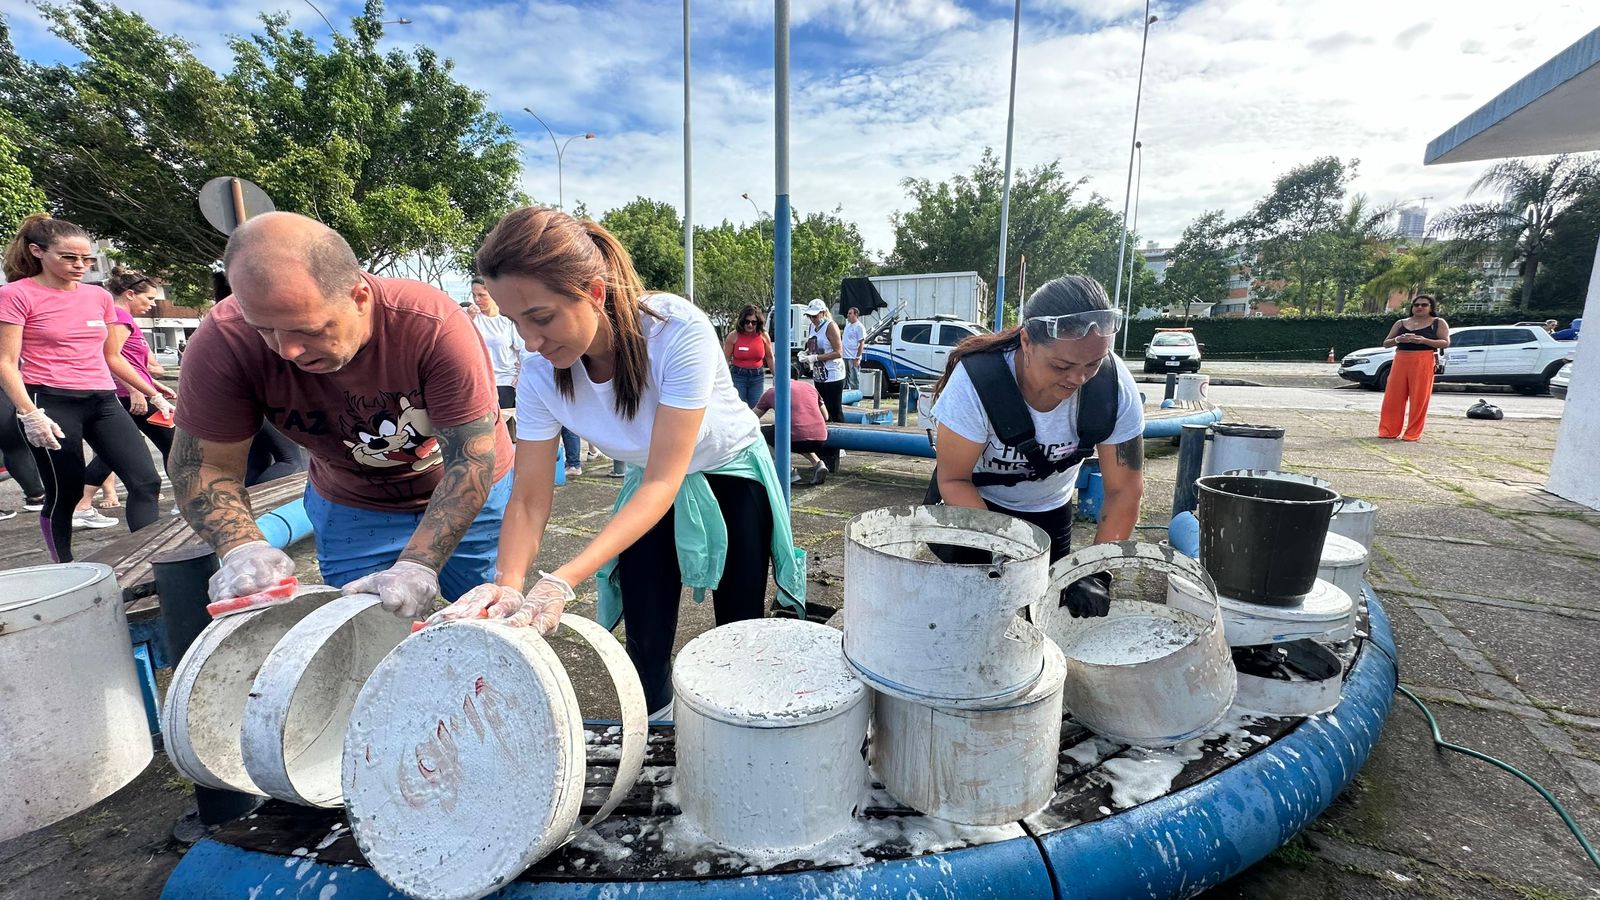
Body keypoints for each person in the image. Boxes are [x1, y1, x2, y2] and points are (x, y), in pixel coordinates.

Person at [429, 207, 806, 719]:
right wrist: (510, 585)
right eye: (516, 322)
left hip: (728, 475)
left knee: (737, 628)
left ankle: (733, 729)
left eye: (541, 317)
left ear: (594, 292)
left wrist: (562, 580)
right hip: (646, 487)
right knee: (645, 632)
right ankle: (657, 731)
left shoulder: (677, 332)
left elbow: (662, 480)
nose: (531, 341)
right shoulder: (540, 373)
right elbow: (529, 497)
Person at [169, 211, 514, 619]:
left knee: (486, 623)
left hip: (470, 493)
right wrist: (242, 546)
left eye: (309, 330)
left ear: (359, 297)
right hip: (353, 503)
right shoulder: (224, 339)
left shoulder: (431, 325)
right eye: (265, 330)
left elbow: (470, 457)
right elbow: (201, 465)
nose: (287, 351)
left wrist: (419, 563)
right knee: (356, 633)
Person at [928, 275, 1145, 618]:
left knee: (1041, 615)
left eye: (1092, 364)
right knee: (972, 613)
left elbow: (1124, 489)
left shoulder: (1113, 387)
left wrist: (1096, 571)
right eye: (1061, 366)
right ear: (1026, 342)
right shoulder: (976, 382)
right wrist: (1002, 553)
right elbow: (954, 479)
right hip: (977, 506)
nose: (1077, 379)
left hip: (1050, 510)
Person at [0, 215, 172, 562]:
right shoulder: (16, 294)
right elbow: (5, 361)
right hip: (50, 403)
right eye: (69, 257)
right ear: (37, 251)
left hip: (103, 400)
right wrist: (29, 413)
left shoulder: (97, 297)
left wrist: (153, 393)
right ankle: (64, 567)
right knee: (63, 494)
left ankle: (151, 565)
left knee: (145, 481)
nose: (80, 265)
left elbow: (113, 356)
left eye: (87, 259)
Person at [77, 267, 176, 520]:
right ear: (130, 294)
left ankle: (82, 504)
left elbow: (133, 362)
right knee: (176, 444)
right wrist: (138, 390)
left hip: (136, 392)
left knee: (117, 453)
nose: (152, 304)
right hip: (129, 395)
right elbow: (112, 357)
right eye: (149, 298)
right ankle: (186, 499)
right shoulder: (120, 316)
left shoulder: (122, 317)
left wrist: (152, 383)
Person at [1378, 294, 1450, 442]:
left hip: (1423, 359)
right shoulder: (1401, 323)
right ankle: (1388, 430)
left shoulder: (1438, 322)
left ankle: (1412, 433)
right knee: (1393, 397)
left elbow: (1445, 342)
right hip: (1401, 359)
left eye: (1424, 305)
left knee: (1419, 397)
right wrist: (1399, 339)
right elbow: (1386, 343)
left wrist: (1424, 340)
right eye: (1416, 305)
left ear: (1431, 308)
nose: (1419, 307)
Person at [755, 379, 830, 485]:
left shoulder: (773, 391)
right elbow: (826, 416)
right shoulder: (810, 387)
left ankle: (787, 470)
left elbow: (752, 418)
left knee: (760, 434)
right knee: (800, 434)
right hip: (821, 437)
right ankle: (818, 463)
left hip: (796, 439)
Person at [801, 299, 846, 422]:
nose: (812, 319)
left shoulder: (830, 326)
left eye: (814, 316)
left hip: (833, 373)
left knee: (834, 409)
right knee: (821, 408)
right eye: (810, 316)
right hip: (819, 374)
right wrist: (805, 353)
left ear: (823, 313)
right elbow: (813, 344)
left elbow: (838, 352)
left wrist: (816, 357)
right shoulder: (812, 326)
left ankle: (841, 436)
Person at [723, 304, 773, 409]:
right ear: (742, 321)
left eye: (753, 322)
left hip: (757, 376)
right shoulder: (733, 336)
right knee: (738, 408)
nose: (750, 325)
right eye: (747, 322)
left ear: (758, 323)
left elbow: (769, 357)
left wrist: (776, 376)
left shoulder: (763, 335)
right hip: (738, 376)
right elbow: (725, 359)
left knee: (756, 408)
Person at [841, 306, 866, 393]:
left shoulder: (859, 327)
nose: (848, 315)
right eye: (848, 313)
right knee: (844, 378)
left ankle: (856, 398)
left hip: (853, 357)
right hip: (845, 356)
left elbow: (861, 343)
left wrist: (857, 357)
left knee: (854, 379)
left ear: (856, 315)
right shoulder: (848, 326)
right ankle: (845, 396)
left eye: (850, 313)